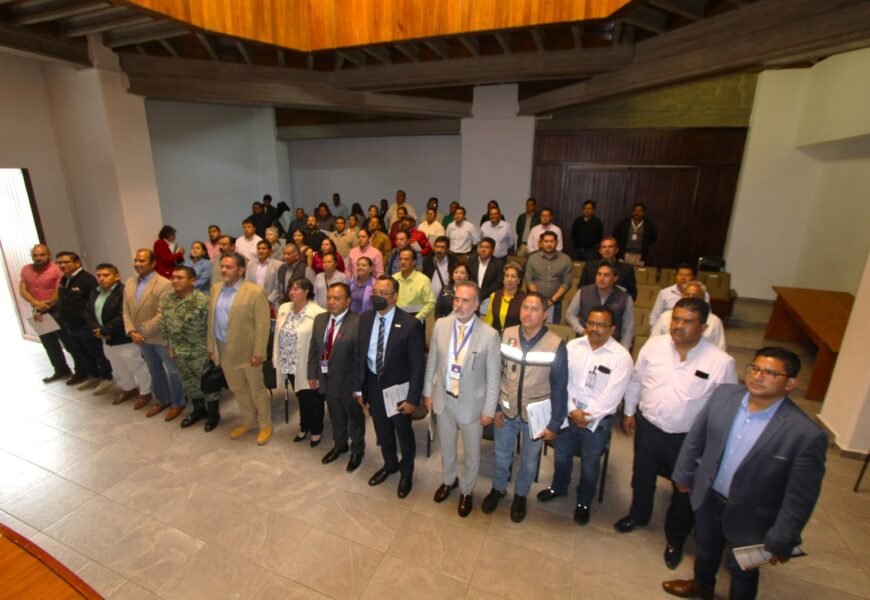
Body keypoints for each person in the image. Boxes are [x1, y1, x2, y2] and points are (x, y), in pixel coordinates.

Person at [663, 347, 828, 600]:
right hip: (709, 497)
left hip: (754, 516)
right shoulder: (724, 396)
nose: (758, 376)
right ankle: (701, 586)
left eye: (771, 373)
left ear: (790, 383)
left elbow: (800, 497)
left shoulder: (805, 434)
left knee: (741, 571)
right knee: (706, 550)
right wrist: (684, 474)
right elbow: (697, 436)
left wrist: (783, 537)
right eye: (755, 368)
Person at [616, 298, 738, 571]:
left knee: (682, 489)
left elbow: (727, 407)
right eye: (676, 319)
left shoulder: (720, 362)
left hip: (689, 438)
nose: (679, 326)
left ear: (703, 327)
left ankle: (675, 539)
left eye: (687, 321)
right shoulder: (655, 345)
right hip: (648, 426)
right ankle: (638, 514)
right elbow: (636, 379)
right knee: (642, 475)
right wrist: (629, 411)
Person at [536, 305, 633, 525]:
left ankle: (584, 501)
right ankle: (558, 487)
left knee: (590, 464)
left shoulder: (621, 357)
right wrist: (571, 410)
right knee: (561, 456)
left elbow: (613, 395)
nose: (594, 329)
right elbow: (562, 380)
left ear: (613, 329)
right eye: (591, 323)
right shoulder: (572, 346)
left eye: (601, 325)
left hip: (596, 421)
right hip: (568, 413)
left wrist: (586, 415)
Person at [481, 292, 569, 523]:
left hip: (536, 416)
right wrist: (496, 407)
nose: (528, 313)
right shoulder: (506, 335)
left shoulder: (556, 345)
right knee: (501, 456)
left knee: (529, 462)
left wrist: (555, 423)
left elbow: (560, 388)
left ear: (545, 314)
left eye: (534, 309)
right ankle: (498, 489)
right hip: (506, 411)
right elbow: (495, 373)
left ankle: (520, 495)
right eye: (524, 308)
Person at [423, 281, 501, 517]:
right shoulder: (441, 325)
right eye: (456, 299)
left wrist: (489, 409)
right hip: (443, 400)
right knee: (446, 446)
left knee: (471, 452)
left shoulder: (489, 335)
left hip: (472, 405)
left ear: (477, 304)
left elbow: (494, 378)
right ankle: (449, 481)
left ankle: (467, 490)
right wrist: (428, 391)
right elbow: (433, 363)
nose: (458, 304)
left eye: (465, 300)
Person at [355, 276, 425, 498]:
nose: (377, 297)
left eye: (383, 293)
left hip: (398, 391)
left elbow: (417, 365)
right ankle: (390, 464)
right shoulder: (365, 319)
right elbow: (360, 357)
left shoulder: (410, 324)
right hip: (373, 387)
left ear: (395, 296)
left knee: (403, 434)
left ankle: (406, 472)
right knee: (382, 431)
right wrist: (359, 389)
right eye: (374, 292)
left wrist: (413, 399)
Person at [208, 252, 272, 445]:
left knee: (257, 389)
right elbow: (210, 320)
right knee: (238, 388)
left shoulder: (254, 292)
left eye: (229, 267)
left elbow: (263, 325)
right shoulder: (215, 288)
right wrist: (211, 348)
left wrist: (259, 353)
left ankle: (265, 424)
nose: (224, 270)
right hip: (223, 347)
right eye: (223, 266)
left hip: (248, 350)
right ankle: (249, 420)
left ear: (241, 270)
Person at [308, 282, 365, 471]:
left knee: (354, 419)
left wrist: (359, 388)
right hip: (326, 379)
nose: (331, 302)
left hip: (349, 383)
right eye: (329, 297)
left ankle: (357, 450)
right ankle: (340, 445)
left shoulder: (357, 323)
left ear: (348, 301)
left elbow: (360, 359)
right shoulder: (320, 319)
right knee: (335, 416)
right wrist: (312, 374)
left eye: (337, 298)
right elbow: (314, 349)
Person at [123, 249, 183, 416]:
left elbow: (163, 313)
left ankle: (178, 403)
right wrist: (131, 331)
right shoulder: (129, 283)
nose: (137, 264)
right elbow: (126, 310)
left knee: (173, 370)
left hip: (161, 337)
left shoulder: (164, 284)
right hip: (140, 338)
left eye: (142, 261)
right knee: (154, 369)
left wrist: (141, 330)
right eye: (136, 260)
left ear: (153, 263)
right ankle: (163, 400)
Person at [162, 266, 220, 427]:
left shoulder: (202, 301)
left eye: (180, 277)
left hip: (200, 350)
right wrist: (169, 346)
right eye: (173, 277)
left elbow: (212, 328)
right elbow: (165, 324)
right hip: (180, 351)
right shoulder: (168, 300)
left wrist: (212, 351)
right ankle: (198, 410)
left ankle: (213, 415)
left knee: (208, 384)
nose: (175, 281)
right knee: (189, 383)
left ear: (192, 281)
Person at [87, 263, 151, 406]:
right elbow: (88, 312)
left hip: (123, 337)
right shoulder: (95, 292)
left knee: (136, 365)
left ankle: (145, 392)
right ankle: (128, 388)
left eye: (106, 275)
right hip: (105, 339)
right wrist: (96, 329)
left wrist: (105, 330)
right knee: (117, 366)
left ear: (116, 276)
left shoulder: (124, 291)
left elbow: (123, 315)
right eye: (99, 275)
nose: (102, 278)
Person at [274, 277, 326, 447]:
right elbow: (277, 335)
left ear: (307, 292)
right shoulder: (283, 308)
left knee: (313, 398)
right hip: (289, 362)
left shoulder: (318, 313)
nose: (292, 292)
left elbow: (320, 343)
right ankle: (304, 426)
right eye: (291, 288)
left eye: (297, 289)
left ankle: (316, 430)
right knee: (301, 397)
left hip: (307, 364)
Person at [53, 252, 112, 392]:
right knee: (83, 353)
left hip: (85, 325)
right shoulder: (64, 280)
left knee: (97, 352)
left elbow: (93, 303)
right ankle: (94, 375)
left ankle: (106, 377)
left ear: (77, 263)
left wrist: (93, 324)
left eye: (66, 262)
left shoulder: (87, 279)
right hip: (71, 325)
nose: (62, 265)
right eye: (60, 262)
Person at [20, 244, 70, 382]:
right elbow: (22, 288)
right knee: (49, 344)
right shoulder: (26, 269)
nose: (39, 258)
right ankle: (61, 370)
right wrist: (36, 304)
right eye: (35, 255)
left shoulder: (56, 269)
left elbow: (58, 291)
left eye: (42, 254)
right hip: (38, 311)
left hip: (56, 310)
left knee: (68, 342)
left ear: (49, 255)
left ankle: (83, 371)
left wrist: (43, 307)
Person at [564, 260, 634, 349]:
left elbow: (628, 327)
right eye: (599, 274)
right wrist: (581, 330)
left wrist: (624, 349)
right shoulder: (583, 292)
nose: (601, 278)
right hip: (585, 343)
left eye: (606, 275)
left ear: (615, 278)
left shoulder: (625, 298)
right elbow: (570, 314)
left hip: (611, 346)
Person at [651, 281, 726, 350]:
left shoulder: (714, 321)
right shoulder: (665, 316)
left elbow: (720, 348)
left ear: (703, 298)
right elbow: (653, 342)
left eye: (695, 295)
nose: (691, 298)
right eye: (687, 295)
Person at [524, 231, 573, 324]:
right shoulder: (533, 258)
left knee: (553, 329)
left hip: (556, 302)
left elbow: (567, 283)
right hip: (535, 301)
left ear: (556, 243)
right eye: (546, 241)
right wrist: (539, 299)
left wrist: (552, 300)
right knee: (532, 325)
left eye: (551, 241)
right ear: (541, 243)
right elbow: (529, 280)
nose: (549, 244)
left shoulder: (566, 259)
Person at [649, 263, 709, 331]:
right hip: (666, 330)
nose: (683, 278)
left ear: (694, 277)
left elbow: (707, 316)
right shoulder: (664, 293)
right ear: (676, 276)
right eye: (680, 275)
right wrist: (655, 331)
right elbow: (655, 315)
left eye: (687, 275)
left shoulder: (702, 294)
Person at [579, 236, 638, 300]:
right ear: (600, 251)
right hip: (591, 303)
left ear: (617, 250)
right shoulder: (589, 266)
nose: (607, 249)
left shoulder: (627, 269)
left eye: (610, 247)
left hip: (617, 305)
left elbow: (632, 293)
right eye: (604, 247)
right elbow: (582, 288)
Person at [393, 248, 435, 322]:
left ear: (414, 262)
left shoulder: (423, 280)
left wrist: (417, 318)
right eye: (401, 259)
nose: (403, 262)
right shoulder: (393, 278)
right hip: (396, 317)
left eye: (406, 259)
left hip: (416, 318)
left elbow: (431, 303)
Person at [483, 263, 526, 334]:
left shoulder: (524, 298)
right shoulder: (494, 295)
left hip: (515, 338)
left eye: (513, 276)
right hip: (496, 337)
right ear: (503, 278)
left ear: (518, 280)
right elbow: (489, 321)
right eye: (507, 276)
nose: (509, 279)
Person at [467, 237, 505, 317]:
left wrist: (482, 294)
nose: (483, 249)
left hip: (489, 298)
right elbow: (468, 278)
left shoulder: (499, 264)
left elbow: (499, 283)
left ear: (493, 251)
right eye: (481, 247)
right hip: (471, 298)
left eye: (487, 247)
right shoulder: (471, 261)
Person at [246, 240, 283, 310]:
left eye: (263, 248)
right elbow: (247, 283)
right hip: (253, 302)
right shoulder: (250, 264)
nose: (260, 251)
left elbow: (278, 287)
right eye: (259, 248)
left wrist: (268, 301)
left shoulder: (278, 265)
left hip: (271, 304)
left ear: (270, 251)